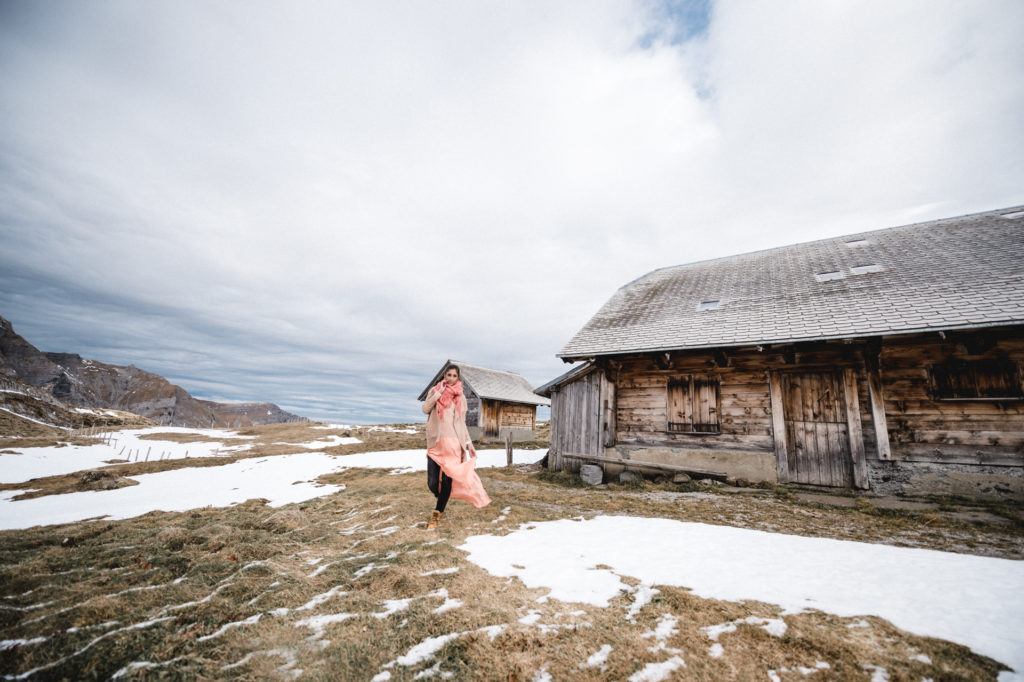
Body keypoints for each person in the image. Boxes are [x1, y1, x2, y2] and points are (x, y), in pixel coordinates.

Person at [421, 364, 491, 529]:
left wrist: (469, 444)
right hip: (436, 444)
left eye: (454, 376)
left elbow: (461, 424)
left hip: (453, 444)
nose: (451, 378)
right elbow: (425, 409)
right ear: (444, 376)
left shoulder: (461, 398)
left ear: (458, 378)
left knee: (446, 482)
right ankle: (443, 498)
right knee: (432, 483)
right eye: (448, 375)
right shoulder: (434, 391)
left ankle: (436, 516)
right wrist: (438, 393)